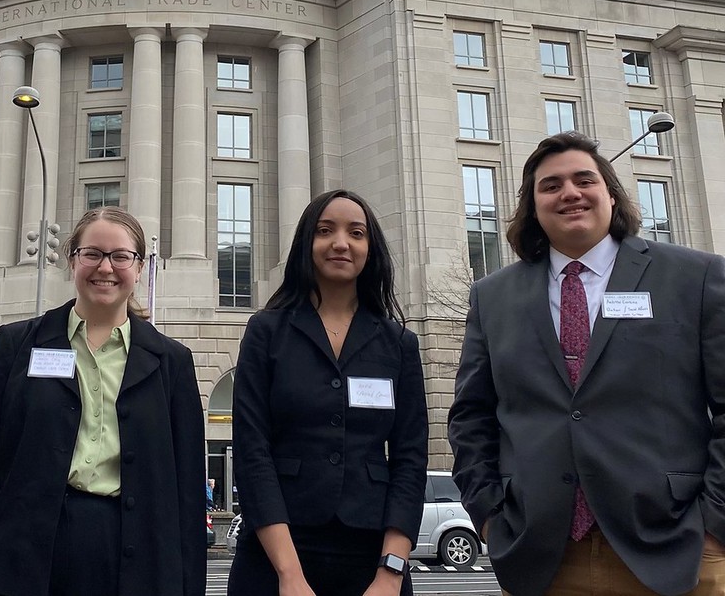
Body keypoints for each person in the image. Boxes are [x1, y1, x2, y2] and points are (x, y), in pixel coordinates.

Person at [447, 131, 725, 596]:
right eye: (550, 185)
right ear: (532, 207)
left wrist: (714, 520)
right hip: (544, 556)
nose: (570, 192)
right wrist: (490, 515)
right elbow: (471, 415)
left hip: (678, 551)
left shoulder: (695, 278)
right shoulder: (492, 297)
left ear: (611, 195)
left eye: (584, 179)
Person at [0, 206, 206, 596]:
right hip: (25, 562)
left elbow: (186, 490)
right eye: (92, 254)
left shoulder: (171, 363)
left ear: (140, 266)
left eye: (121, 256)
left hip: (134, 560)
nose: (105, 268)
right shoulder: (17, 346)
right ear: (71, 260)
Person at [229, 189, 428, 596]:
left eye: (356, 233)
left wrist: (391, 573)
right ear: (307, 243)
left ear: (370, 249)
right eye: (325, 230)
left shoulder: (398, 344)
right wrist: (289, 575)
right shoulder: (266, 332)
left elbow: (410, 459)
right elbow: (252, 452)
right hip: (277, 554)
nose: (341, 242)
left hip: (372, 558)